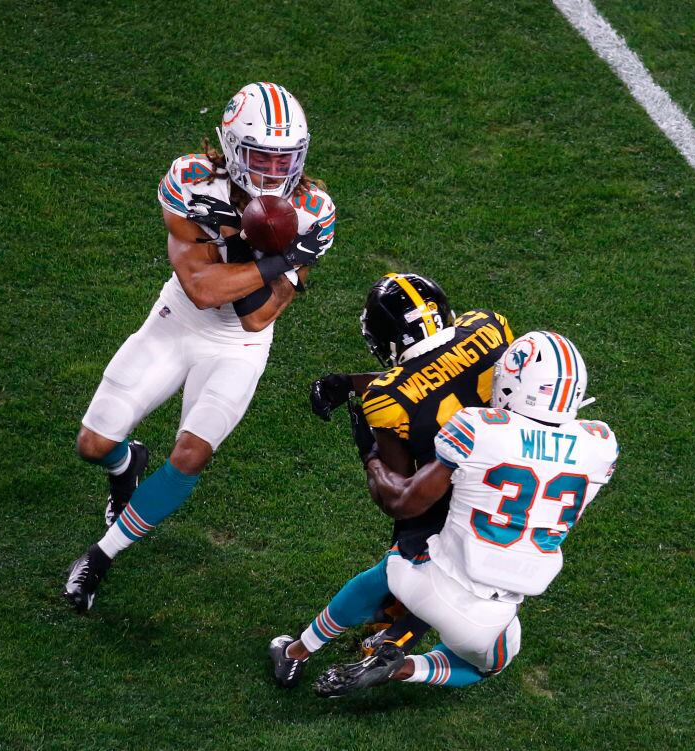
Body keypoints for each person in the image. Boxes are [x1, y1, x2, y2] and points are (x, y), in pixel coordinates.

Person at [63, 82, 336, 613]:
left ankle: (100, 556)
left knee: (190, 455)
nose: (274, 173)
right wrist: (280, 258)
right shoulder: (191, 182)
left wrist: (242, 251)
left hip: (239, 346)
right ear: (232, 147)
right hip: (178, 321)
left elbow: (257, 316)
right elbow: (202, 289)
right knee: (93, 445)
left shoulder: (312, 212)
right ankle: (126, 465)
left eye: (285, 160)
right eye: (261, 157)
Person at [271, 331, 619, 695]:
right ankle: (403, 668)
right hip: (493, 617)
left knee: (394, 563)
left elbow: (406, 502)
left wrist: (371, 456)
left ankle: (296, 652)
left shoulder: (479, 427)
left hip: (425, 580)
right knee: (486, 667)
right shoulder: (601, 444)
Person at [269, 273, 515, 685]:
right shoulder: (490, 327)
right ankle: (394, 632)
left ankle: (306, 650)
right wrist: (353, 384)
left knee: (405, 558)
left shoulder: (387, 399)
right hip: (516, 482)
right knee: (466, 594)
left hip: (449, 494)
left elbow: (397, 495)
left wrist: (369, 453)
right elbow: (447, 371)